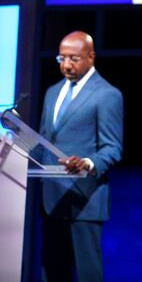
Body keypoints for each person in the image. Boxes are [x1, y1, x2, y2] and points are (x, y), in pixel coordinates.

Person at [38, 31, 123, 282]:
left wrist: (86, 163)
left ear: (91, 57)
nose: (66, 65)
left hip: (85, 198)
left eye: (73, 58)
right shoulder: (52, 92)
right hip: (52, 199)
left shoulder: (107, 94)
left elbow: (112, 147)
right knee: (52, 273)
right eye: (61, 58)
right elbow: (45, 139)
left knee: (88, 275)